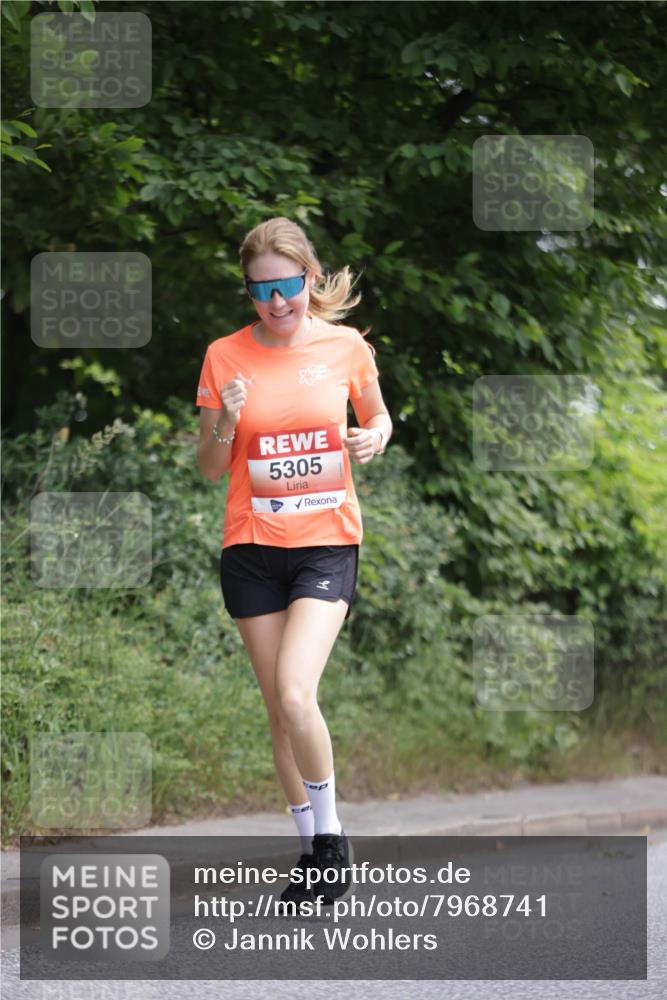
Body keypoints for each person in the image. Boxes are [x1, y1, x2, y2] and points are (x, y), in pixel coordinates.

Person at [195, 216, 392, 905]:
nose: (276, 304)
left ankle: (332, 839)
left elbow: (378, 416)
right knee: (278, 715)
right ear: (248, 292)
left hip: (325, 543)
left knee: (294, 692)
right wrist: (225, 418)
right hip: (250, 549)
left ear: (308, 278)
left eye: (287, 287)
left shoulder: (343, 347)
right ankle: (311, 851)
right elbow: (209, 466)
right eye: (260, 291)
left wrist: (374, 440)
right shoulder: (224, 356)